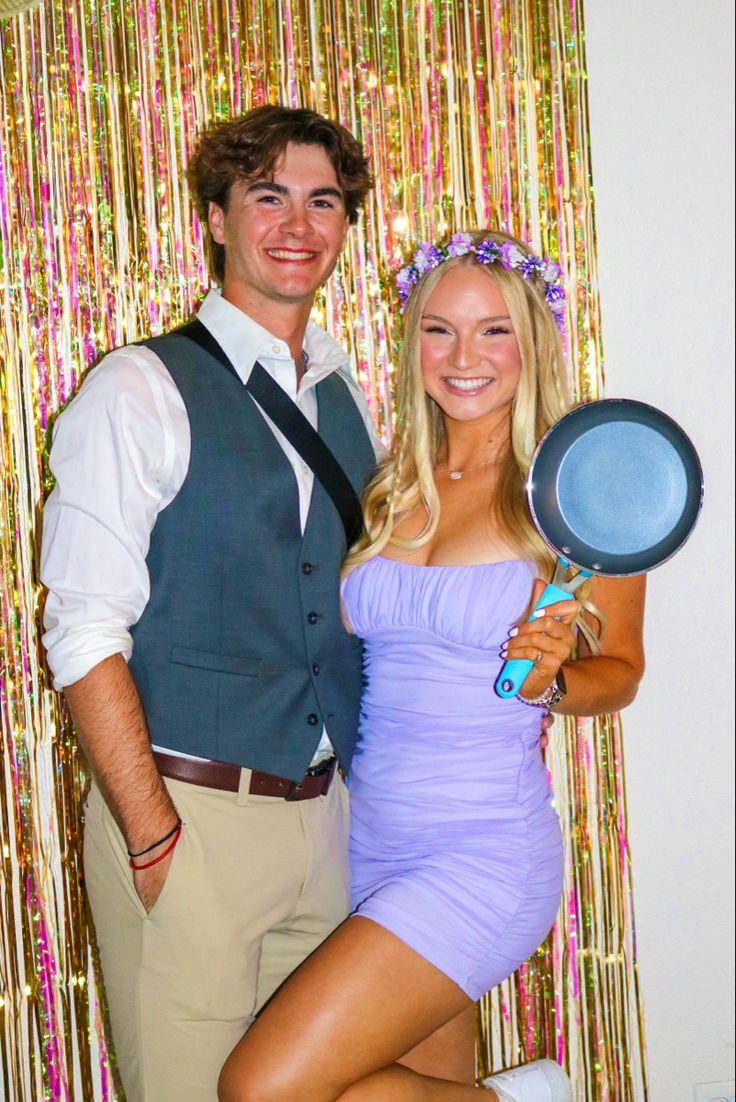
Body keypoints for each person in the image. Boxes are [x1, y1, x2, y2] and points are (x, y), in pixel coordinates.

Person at [217, 231, 646, 1102]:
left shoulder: (575, 497)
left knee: (261, 1089)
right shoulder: (390, 484)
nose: (463, 357)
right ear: (412, 343)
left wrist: (555, 681)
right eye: (439, 330)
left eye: (494, 331)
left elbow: (625, 671)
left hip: (481, 851)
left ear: (532, 342)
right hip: (368, 841)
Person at [40, 105, 380, 1102]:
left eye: (323, 200)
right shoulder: (137, 388)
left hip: (329, 822)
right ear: (216, 219)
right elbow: (83, 629)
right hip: (191, 816)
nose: (297, 223)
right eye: (266, 194)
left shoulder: (344, 394)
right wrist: (153, 839)